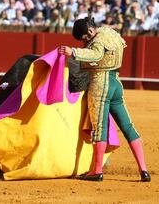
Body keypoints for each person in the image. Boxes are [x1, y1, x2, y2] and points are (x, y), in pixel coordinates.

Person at [58, 16, 151, 182]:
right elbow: (121, 45)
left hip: (101, 84)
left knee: (99, 128)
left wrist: (73, 52)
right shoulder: (111, 32)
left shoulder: (97, 41)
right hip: (116, 82)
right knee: (128, 126)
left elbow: (96, 54)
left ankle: (97, 170)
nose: (84, 42)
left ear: (90, 31)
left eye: (84, 38)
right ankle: (143, 170)